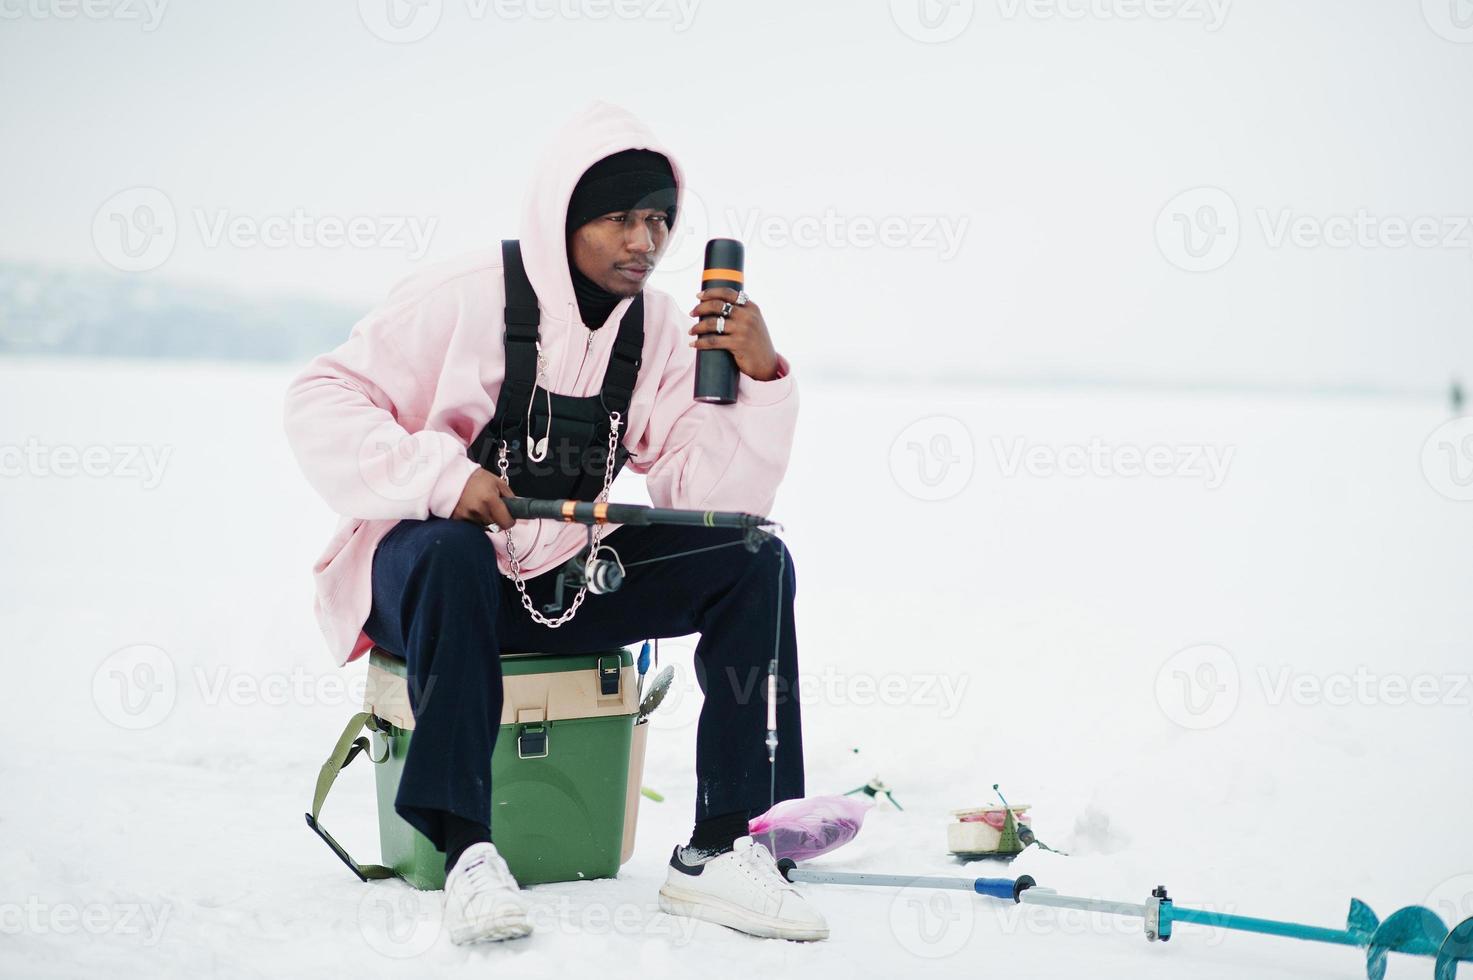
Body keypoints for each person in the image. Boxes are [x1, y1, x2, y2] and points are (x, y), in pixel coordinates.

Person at [281, 102, 827, 944]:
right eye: (618, 218)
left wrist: (757, 379)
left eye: (659, 220)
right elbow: (320, 401)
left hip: (560, 577)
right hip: (425, 579)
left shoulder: (653, 332)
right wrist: (440, 476)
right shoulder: (460, 296)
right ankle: (465, 850)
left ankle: (728, 845)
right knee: (454, 553)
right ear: (563, 216)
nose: (644, 241)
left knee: (750, 556)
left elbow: (709, 492)